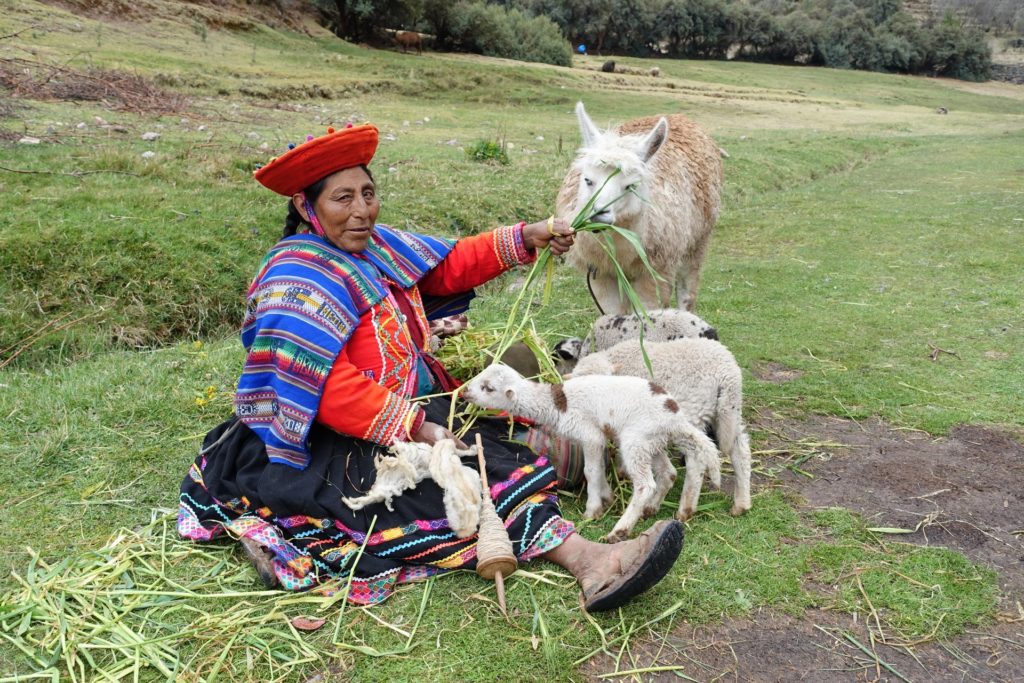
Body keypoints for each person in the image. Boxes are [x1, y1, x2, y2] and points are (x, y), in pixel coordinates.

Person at [177, 123, 684, 611]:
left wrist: (525, 237)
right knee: (463, 483)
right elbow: (321, 385)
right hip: (331, 436)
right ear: (304, 206)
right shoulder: (296, 279)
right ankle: (593, 562)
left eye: (368, 193)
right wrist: (415, 426)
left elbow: (444, 267)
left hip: (412, 405)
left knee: (537, 442)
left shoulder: (373, 248)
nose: (362, 211)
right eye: (343, 198)